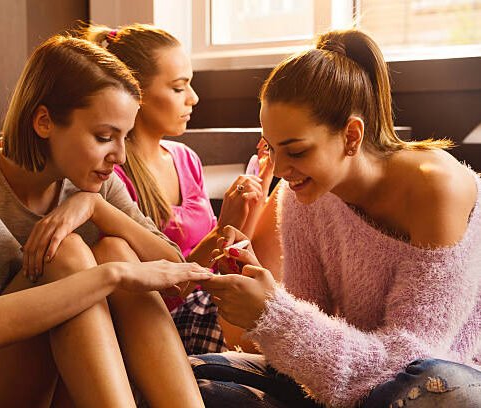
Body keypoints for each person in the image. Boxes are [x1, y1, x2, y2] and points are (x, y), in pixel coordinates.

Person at [192, 29, 481, 407]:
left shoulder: (437, 188)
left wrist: (271, 313)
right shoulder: (303, 195)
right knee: (187, 374)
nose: (280, 169)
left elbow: (412, 362)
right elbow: (303, 349)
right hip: (354, 383)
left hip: (443, 381)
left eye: (295, 151)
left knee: (431, 381)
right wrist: (258, 300)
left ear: (351, 135)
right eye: (272, 150)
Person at [0, 34, 213, 408]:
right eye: (103, 136)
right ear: (44, 121)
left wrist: (97, 208)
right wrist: (112, 276)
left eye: (125, 138)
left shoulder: (96, 178)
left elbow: (171, 266)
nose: (119, 155)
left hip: (69, 378)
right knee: (67, 255)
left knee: (115, 246)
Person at [84, 24, 273, 355]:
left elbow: (223, 258)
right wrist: (216, 234)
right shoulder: (113, 178)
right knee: (264, 325)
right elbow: (154, 292)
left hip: (208, 301)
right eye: (177, 87)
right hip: (160, 323)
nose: (193, 98)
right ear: (135, 94)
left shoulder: (186, 160)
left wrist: (258, 193)